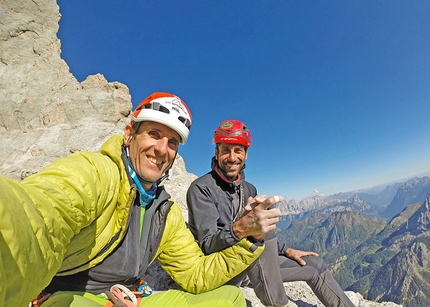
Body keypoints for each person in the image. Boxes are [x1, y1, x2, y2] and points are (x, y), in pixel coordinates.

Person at [0, 93, 282, 307]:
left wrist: (248, 235)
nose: (162, 149)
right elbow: (35, 217)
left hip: (131, 297)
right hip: (74, 297)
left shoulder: (163, 210)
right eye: (154, 134)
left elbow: (196, 274)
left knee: (231, 298)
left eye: (172, 142)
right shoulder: (95, 173)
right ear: (129, 135)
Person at [186, 119, 356, 307]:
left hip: (251, 267)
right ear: (217, 152)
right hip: (223, 269)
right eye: (226, 150)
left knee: (313, 265)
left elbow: (264, 231)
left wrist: (287, 250)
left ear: (246, 155)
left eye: (238, 150)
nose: (232, 157)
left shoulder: (249, 189)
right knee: (259, 231)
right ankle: (276, 304)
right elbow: (207, 245)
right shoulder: (201, 189)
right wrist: (241, 228)